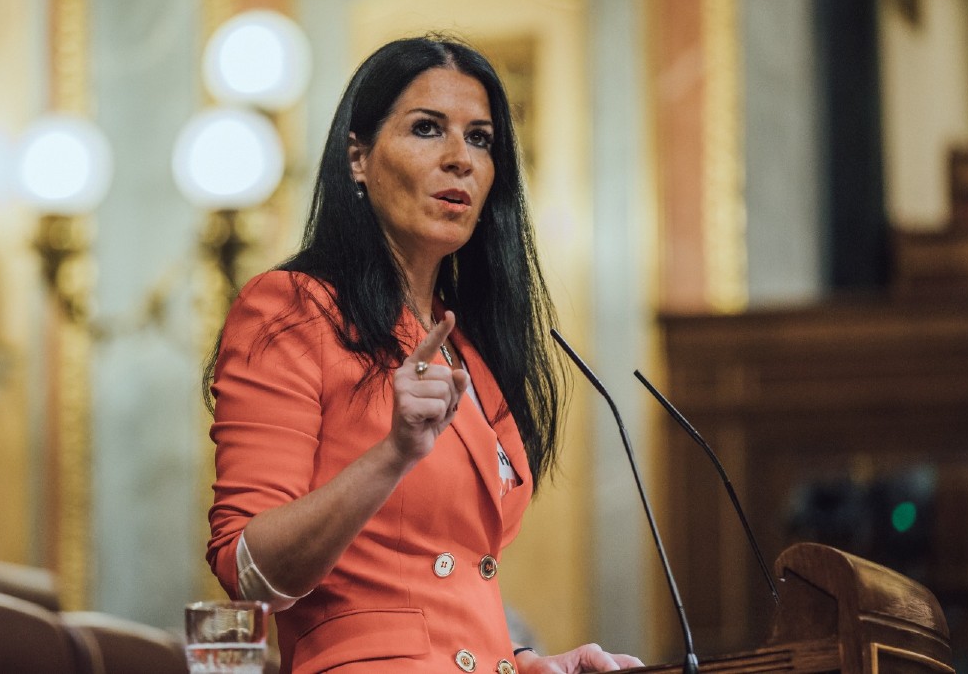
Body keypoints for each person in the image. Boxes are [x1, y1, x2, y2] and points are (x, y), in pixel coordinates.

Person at [205, 34, 644, 674]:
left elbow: (441, 586)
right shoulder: (291, 309)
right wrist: (394, 453)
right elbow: (249, 575)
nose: (459, 159)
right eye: (427, 129)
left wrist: (525, 663)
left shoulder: (467, 346)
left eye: (480, 139)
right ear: (358, 157)